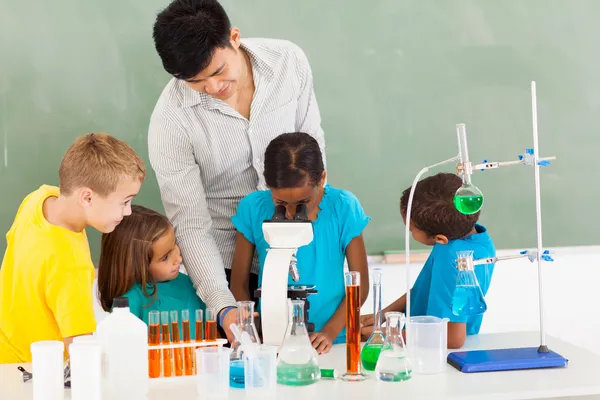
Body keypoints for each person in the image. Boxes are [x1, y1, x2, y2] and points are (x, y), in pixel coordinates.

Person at [148, 0, 326, 340]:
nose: (213, 89)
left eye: (217, 72)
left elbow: (313, 149)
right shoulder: (171, 121)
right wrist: (224, 306)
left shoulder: (288, 63)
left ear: (234, 38)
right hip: (228, 265)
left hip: (300, 247)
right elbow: (190, 222)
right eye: (196, 82)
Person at [0, 133, 145, 363]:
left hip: (5, 353)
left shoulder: (37, 200)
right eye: (124, 202)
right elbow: (80, 348)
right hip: (36, 371)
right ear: (87, 197)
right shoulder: (70, 263)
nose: (127, 212)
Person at [230, 132, 369, 354]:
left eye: (303, 203)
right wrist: (254, 329)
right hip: (273, 338)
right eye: (281, 203)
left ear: (322, 178)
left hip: (333, 340)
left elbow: (359, 287)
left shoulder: (344, 207)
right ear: (268, 185)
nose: (293, 213)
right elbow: (238, 284)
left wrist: (329, 332)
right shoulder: (253, 208)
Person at [360, 173, 496, 349]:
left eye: (411, 229)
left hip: (436, 354)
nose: (410, 232)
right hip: (425, 341)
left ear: (439, 238)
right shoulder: (474, 239)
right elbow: (422, 290)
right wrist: (382, 316)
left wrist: (383, 334)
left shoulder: (455, 258)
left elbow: (451, 338)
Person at [97, 205, 206, 339]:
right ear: (137, 265)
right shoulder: (130, 301)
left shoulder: (192, 283)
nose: (178, 258)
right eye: (165, 257)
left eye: (175, 245)